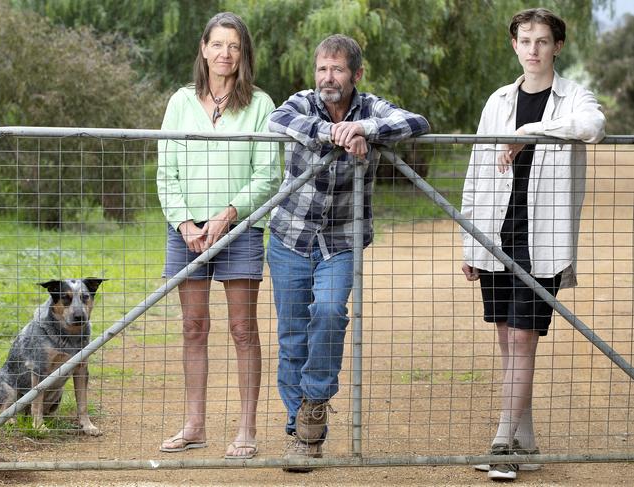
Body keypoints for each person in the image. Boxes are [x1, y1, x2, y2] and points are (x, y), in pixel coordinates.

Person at [267, 34, 430, 471]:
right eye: (322, 68)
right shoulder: (302, 102)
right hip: (290, 237)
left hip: (341, 239)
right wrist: (334, 134)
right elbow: (278, 121)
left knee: (329, 311)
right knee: (291, 336)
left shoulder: (371, 107)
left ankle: (314, 406)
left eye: (337, 69)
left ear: (356, 74)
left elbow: (417, 122)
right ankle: (298, 434)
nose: (328, 77)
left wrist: (364, 129)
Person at [460, 8, 605, 481]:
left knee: (524, 339)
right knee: (508, 342)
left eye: (543, 41)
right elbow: (477, 172)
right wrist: (470, 241)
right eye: (526, 40)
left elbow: (592, 126)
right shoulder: (497, 100)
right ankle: (528, 442)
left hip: (543, 240)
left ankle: (503, 446)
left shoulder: (573, 97)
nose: (534, 49)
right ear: (515, 45)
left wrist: (529, 133)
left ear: (557, 47)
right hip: (497, 235)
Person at [156, 12, 280, 459]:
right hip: (185, 231)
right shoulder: (180, 102)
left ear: (243, 53)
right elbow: (164, 172)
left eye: (234, 46)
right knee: (193, 327)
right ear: (204, 49)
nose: (225, 53)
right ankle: (195, 425)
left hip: (240, 228)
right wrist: (186, 222)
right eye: (218, 44)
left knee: (243, 329)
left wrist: (228, 215)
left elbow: (268, 174)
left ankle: (246, 429)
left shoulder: (261, 105)